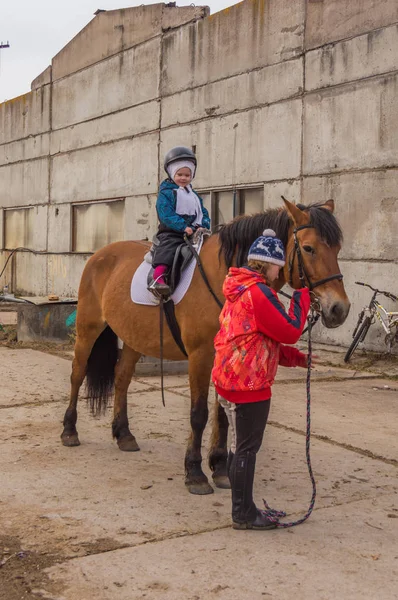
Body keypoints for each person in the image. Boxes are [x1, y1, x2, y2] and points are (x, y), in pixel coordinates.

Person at [211, 229, 312, 530]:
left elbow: (258, 339)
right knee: (246, 450)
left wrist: (296, 359)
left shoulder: (238, 289)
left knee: (236, 446)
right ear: (267, 264)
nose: (280, 270)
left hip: (229, 381)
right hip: (248, 387)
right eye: (278, 265)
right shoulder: (259, 293)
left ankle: (243, 508)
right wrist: (302, 295)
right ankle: (243, 514)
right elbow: (290, 329)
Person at [151, 146, 211, 295]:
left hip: (193, 231)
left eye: (187, 175)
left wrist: (203, 225)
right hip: (172, 231)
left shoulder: (193, 195)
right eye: (180, 174)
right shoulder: (166, 193)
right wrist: (183, 226)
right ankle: (158, 276)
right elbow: (166, 213)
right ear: (172, 174)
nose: (183, 178)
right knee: (169, 246)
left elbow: (202, 212)